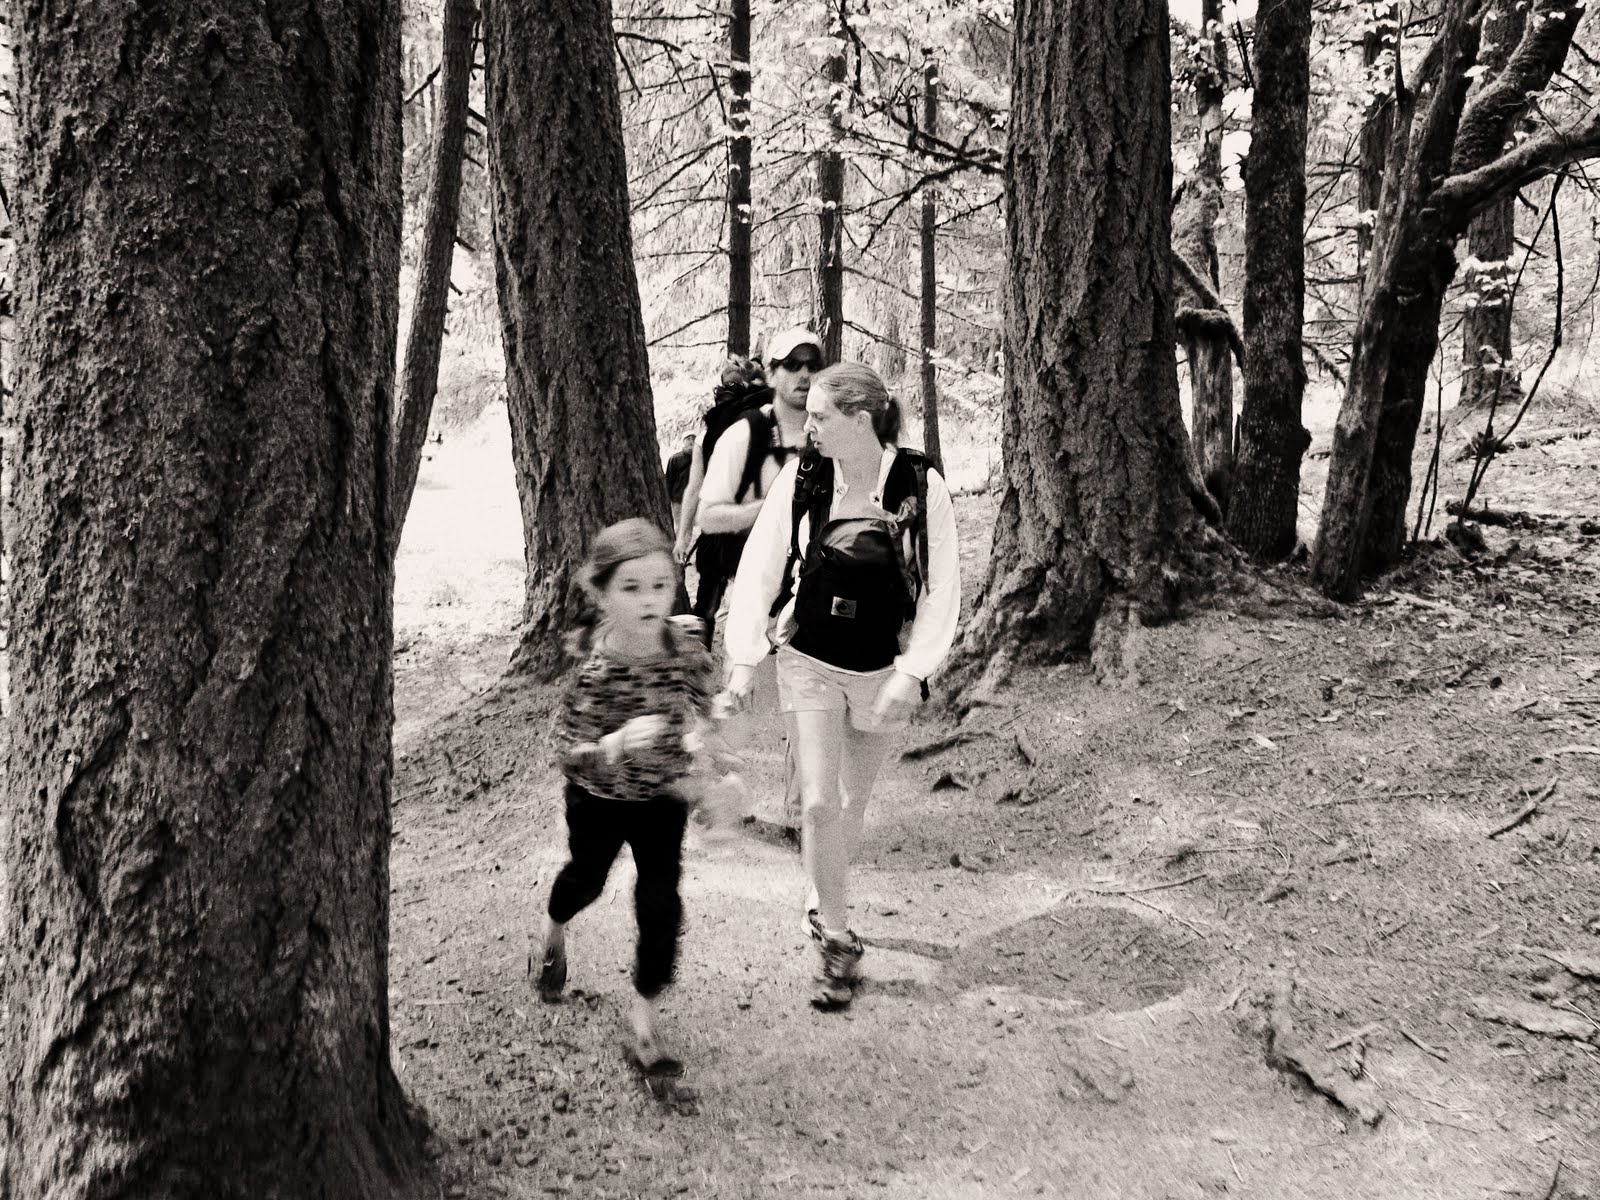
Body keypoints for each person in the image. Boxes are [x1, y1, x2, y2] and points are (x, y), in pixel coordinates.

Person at [722, 362, 960, 1010]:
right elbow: (762, 564)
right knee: (819, 802)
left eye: (822, 417)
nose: (810, 427)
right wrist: (743, 660)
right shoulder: (804, 477)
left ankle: (820, 887)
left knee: (851, 805)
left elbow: (942, 587)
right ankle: (835, 935)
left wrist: (913, 672)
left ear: (861, 420)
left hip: (883, 665)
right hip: (809, 658)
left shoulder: (920, 485)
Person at [533, 518, 715, 1074]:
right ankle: (552, 931)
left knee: (661, 905)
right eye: (631, 587)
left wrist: (709, 753)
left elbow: (706, 709)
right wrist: (615, 744)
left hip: (661, 799)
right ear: (602, 593)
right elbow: (567, 751)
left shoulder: (683, 648)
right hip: (598, 799)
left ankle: (643, 1022)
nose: (649, 599)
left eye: (660, 585)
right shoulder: (596, 666)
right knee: (586, 881)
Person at [672, 357, 772, 629]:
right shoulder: (759, 424)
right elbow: (694, 488)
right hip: (735, 528)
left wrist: (683, 537)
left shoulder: (729, 430)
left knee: (718, 604)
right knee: (721, 604)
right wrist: (682, 536)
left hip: (734, 529)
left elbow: (694, 488)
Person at [665, 433, 696, 534]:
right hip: (678, 500)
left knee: (689, 527)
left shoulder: (700, 458)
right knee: (679, 527)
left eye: (693, 439)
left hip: (693, 500)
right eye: (688, 439)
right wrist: (668, 499)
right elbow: (669, 480)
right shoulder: (675, 459)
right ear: (684, 441)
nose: (691, 441)